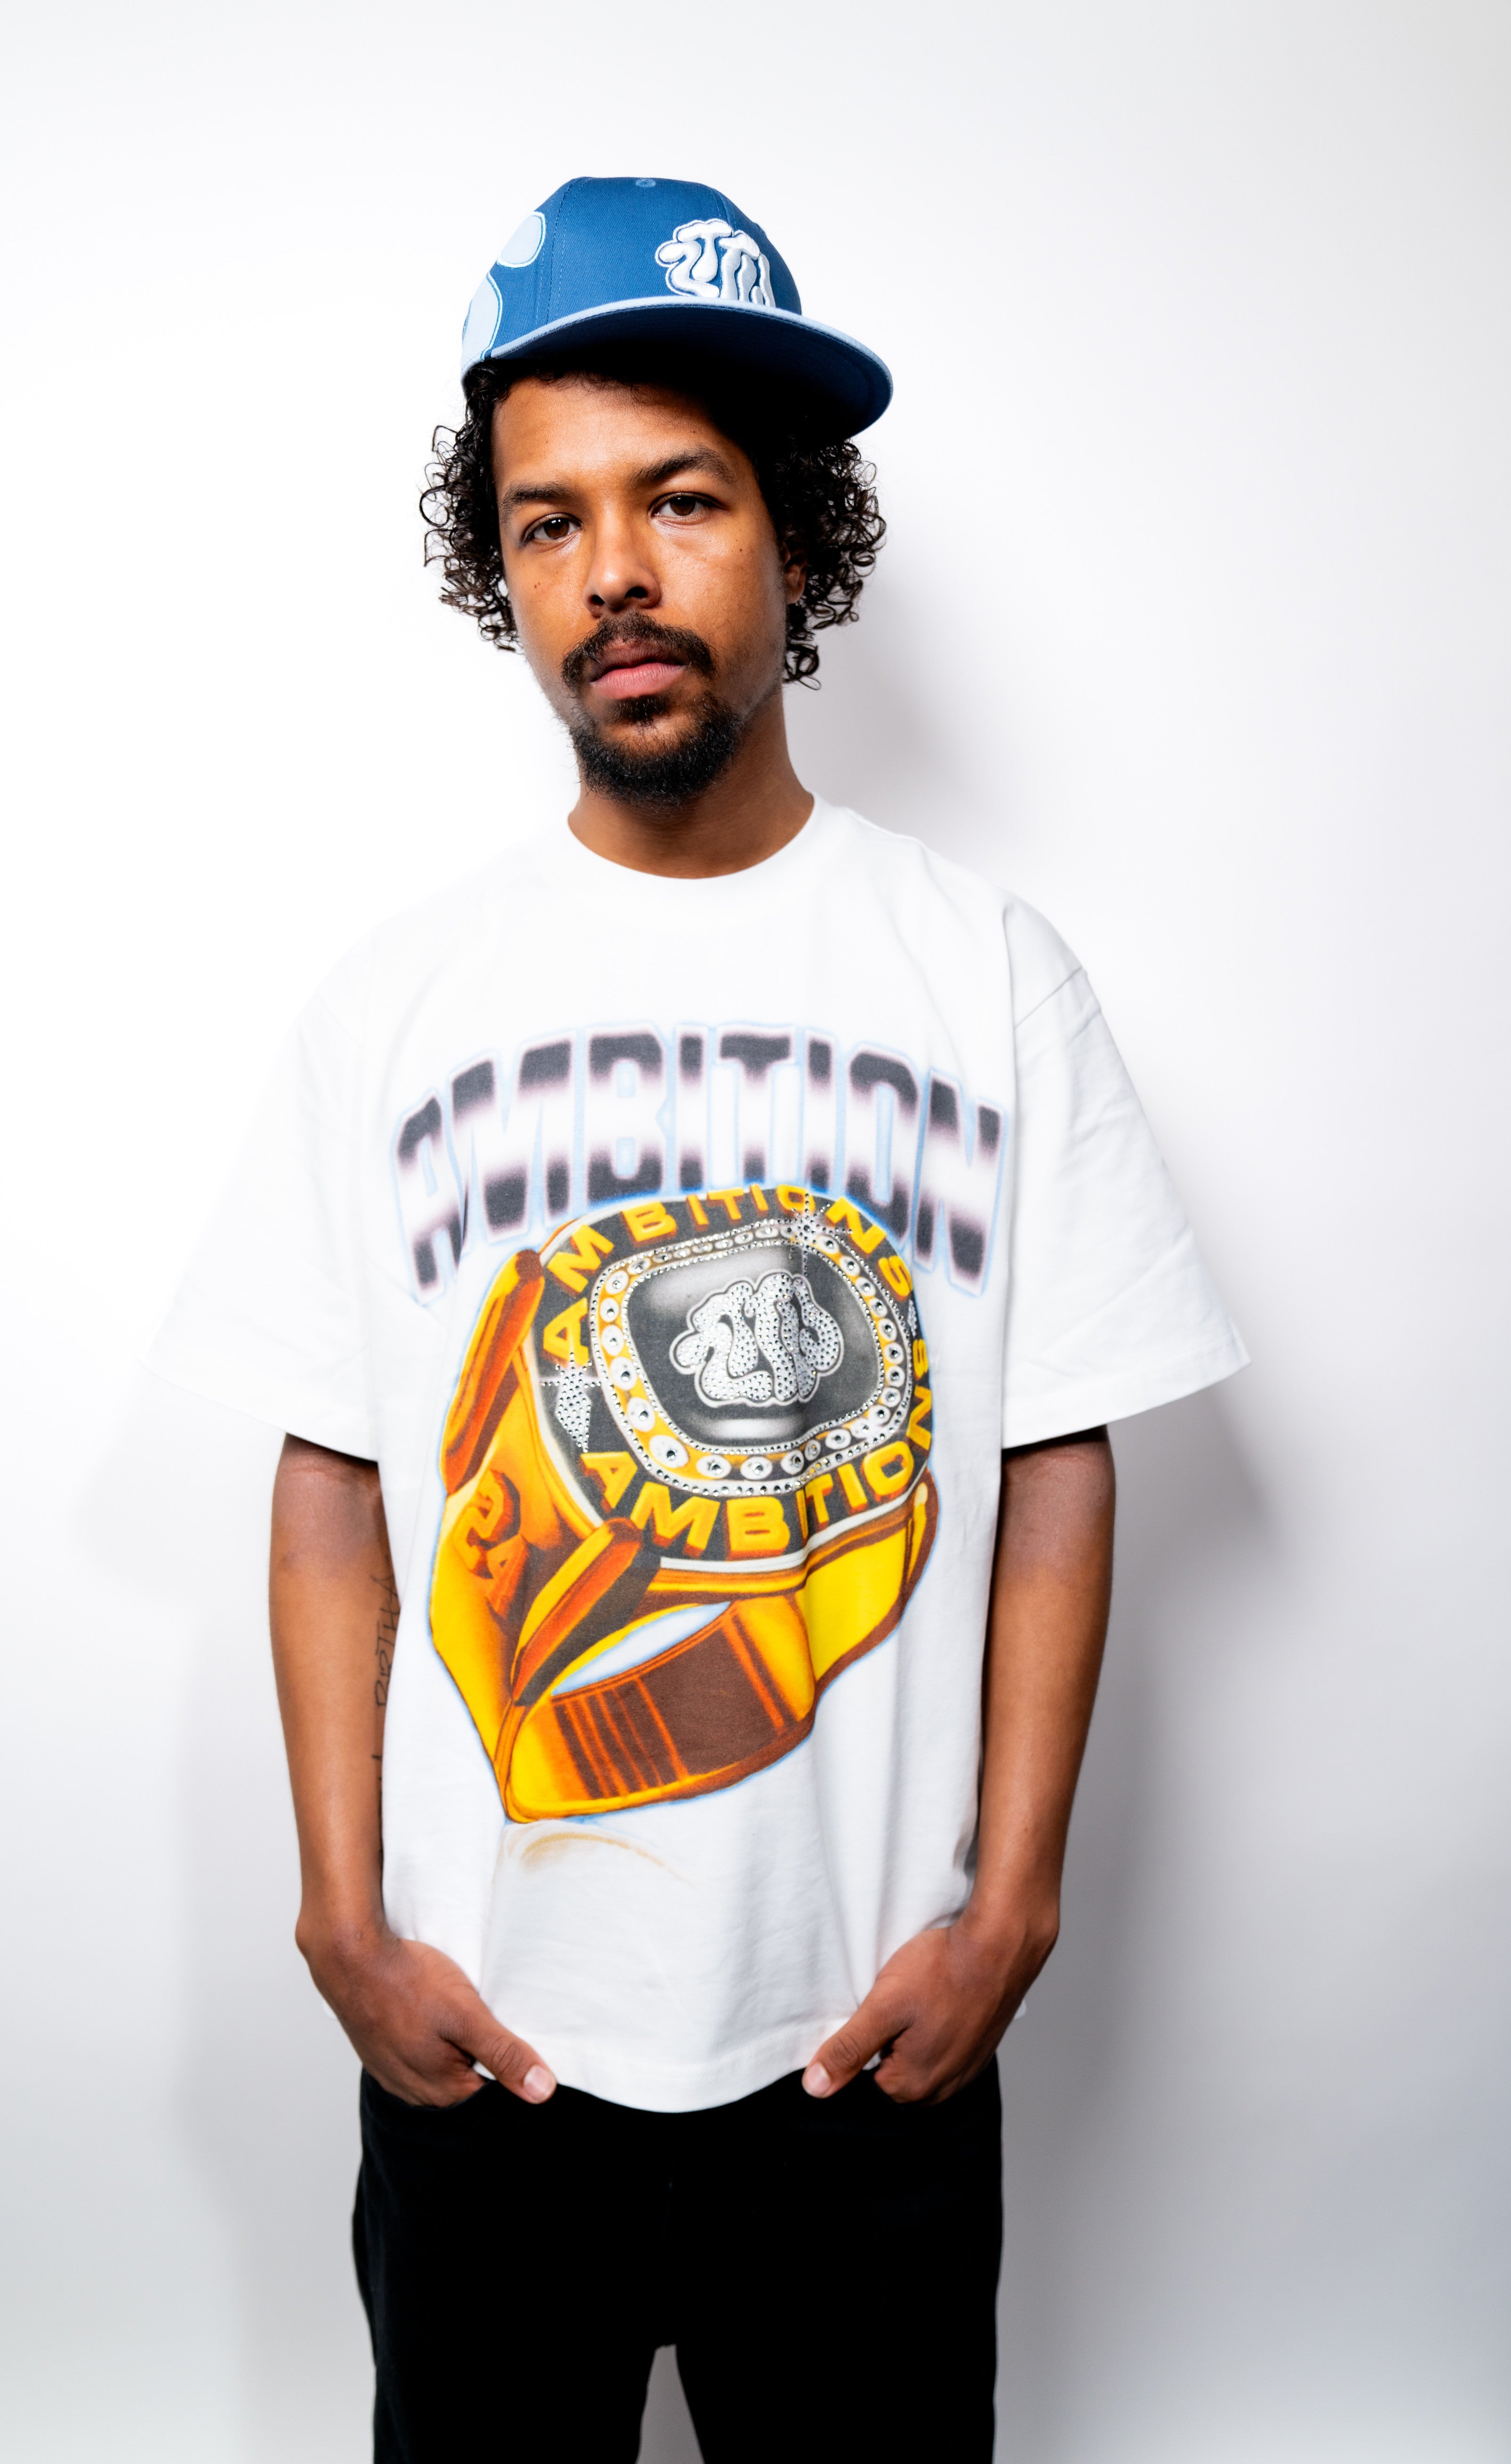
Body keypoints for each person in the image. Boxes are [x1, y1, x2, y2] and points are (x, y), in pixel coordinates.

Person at [148, 175, 1247, 2463]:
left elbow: (1057, 1451)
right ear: (503, 579)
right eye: (546, 525)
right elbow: (331, 1472)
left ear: (797, 540)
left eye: (682, 500)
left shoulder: (987, 972)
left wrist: (1014, 1906)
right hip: (486, 2046)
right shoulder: (397, 1002)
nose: (615, 575)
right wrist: (342, 1914)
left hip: (861, 2046)